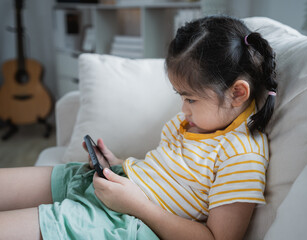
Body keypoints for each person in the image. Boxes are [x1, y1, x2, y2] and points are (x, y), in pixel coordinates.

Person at [0, 16, 277, 239]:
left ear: (238, 93)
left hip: (121, 222)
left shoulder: (242, 155)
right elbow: (166, 175)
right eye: (180, 97)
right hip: (119, 186)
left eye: (190, 98)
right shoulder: (202, 121)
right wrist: (116, 163)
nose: (183, 109)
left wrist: (137, 205)